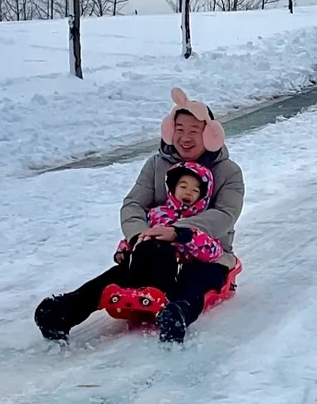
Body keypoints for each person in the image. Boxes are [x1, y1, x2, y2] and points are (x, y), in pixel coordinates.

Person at [34, 88, 245, 345]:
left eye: (194, 131)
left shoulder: (228, 172)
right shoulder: (157, 165)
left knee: (197, 279)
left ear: (210, 134)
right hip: (154, 248)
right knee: (120, 274)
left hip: (205, 252)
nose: (185, 137)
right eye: (179, 129)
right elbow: (134, 204)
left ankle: (177, 314)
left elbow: (225, 214)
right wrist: (138, 235)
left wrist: (177, 231)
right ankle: (64, 312)